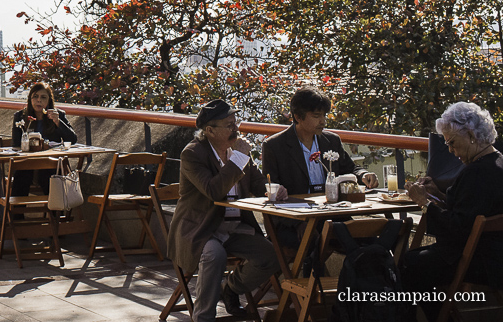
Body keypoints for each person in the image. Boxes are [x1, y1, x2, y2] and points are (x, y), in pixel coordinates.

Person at [167, 99, 279, 322]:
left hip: (235, 227)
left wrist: (274, 190)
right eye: (229, 125)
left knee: (271, 255)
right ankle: (203, 317)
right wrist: (238, 158)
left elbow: (257, 183)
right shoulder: (193, 154)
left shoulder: (237, 152)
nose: (236, 129)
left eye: (236, 123)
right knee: (214, 255)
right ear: (209, 131)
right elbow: (213, 191)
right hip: (201, 228)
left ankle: (230, 288)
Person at [400, 101, 503, 322]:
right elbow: (470, 209)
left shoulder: (476, 173)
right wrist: (437, 193)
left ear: (471, 134)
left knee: (409, 264)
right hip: (493, 254)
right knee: (413, 261)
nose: (450, 150)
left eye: (452, 142)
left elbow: (458, 227)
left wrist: (424, 203)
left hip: (481, 260)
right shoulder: (496, 162)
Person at [261, 86, 377, 247]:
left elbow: (350, 168)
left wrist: (364, 175)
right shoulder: (275, 145)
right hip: (294, 220)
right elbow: (269, 188)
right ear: (298, 117)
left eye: (324, 115)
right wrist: (297, 222)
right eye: (316, 116)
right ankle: (316, 272)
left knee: (371, 240)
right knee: (315, 243)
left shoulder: (331, 140)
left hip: (331, 215)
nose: (323, 121)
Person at [10, 82, 77, 196]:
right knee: (22, 175)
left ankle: (56, 211)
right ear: (30, 99)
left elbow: (72, 139)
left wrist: (57, 122)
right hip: (27, 162)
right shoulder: (21, 116)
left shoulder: (58, 115)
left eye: (43, 97)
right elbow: (16, 143)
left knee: (50, 174)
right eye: (35, 97)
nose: (39, 100)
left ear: (49, 101)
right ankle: (17, 212)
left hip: (50, 163)